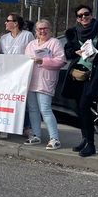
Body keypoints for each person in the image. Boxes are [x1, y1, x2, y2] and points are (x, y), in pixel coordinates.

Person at [62, 4, 98, 157]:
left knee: (84, 105)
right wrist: (75, 51)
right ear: (77, 19)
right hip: (78, 74)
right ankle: (85, 139)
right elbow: (67, 51)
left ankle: (91, 144)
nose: (84, 17)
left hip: (96, 74)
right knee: (80, 109)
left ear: (91, 14)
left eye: (86, 14)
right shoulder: (74, 33)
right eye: (80, 16)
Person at [23, 19, 66, 150]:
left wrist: (42, 60)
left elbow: (61, 61)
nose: (42, 31)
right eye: (40, 29)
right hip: (31, 81)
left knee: (45, 110)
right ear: (36, 31)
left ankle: (54, 138)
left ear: (50, 29)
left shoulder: (55, 43)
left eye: (45, 28)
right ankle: (36, 135)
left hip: (45, 81)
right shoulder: (31, 44)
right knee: (33, 110)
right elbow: (25, 61)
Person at [0, 13, 35, 139]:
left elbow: (31, 53)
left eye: (7, 21)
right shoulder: (3, 38)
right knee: (7, 100)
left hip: (23, 74)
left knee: (23, 101)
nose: (5, 23)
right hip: (7, 75)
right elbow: (1, 56)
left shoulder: (27, 35)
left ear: (15, 23)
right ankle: (6, 126)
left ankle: (26, 127)